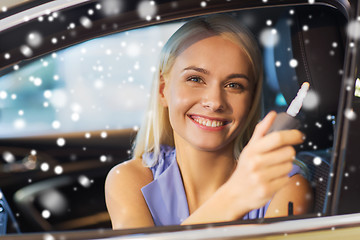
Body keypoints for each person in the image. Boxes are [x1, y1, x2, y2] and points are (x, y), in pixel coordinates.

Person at [105, 14, 313, 229]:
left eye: (234, 85)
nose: (214, 102)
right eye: (195, 79)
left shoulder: (286, 186)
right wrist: (235, 196)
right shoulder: (129, 180)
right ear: (162, 90)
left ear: (251, 101)